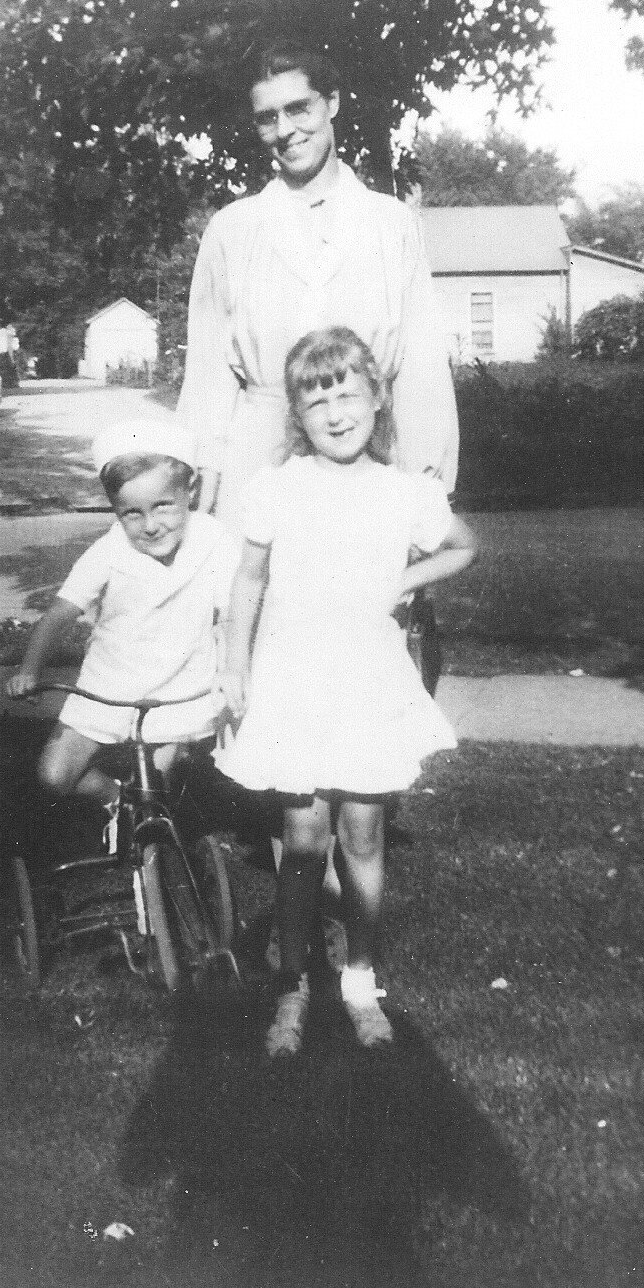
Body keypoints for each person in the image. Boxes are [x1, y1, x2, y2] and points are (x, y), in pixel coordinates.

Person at [177, 39, 459, 917]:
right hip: (263, 444)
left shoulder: (390, 223)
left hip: (367, 454)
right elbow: (206, 372)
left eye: (299, 108)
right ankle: (298, 839)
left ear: (332, 104)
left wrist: (427, 478)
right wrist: (201, 487)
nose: (284, 129)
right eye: (266, 117)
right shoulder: (234, 229)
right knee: (269, 640)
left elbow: (419, 365)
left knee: (368, 632)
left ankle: (360, 814)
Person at [217, 328, 477, 1058]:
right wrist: (234, 664)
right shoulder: (276, 488)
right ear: (297, 415)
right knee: (303, 838)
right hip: (295, 681)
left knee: (362, 834)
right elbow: (248, 580)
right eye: (316, 400)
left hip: (367, 682)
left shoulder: (406, 492)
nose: (335, 413)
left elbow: (464, 545)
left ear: (378, 398)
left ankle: (361, 978)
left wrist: (404, 579)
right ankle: (293, 983)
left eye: (348, 395)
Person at [7, 418, 240, 846]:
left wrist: (230, 668)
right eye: (132, 513)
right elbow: (59, 614)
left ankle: (154, 858)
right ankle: (117, 800)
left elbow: (231, 613)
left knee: (158, 793)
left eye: (163, 506)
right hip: (108, 683)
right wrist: (29, 670)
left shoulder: (214, 540)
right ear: (115, 511)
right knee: (54, 775)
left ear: (190, 492)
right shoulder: (109, 551)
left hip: (181, 684)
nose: (150, 525)